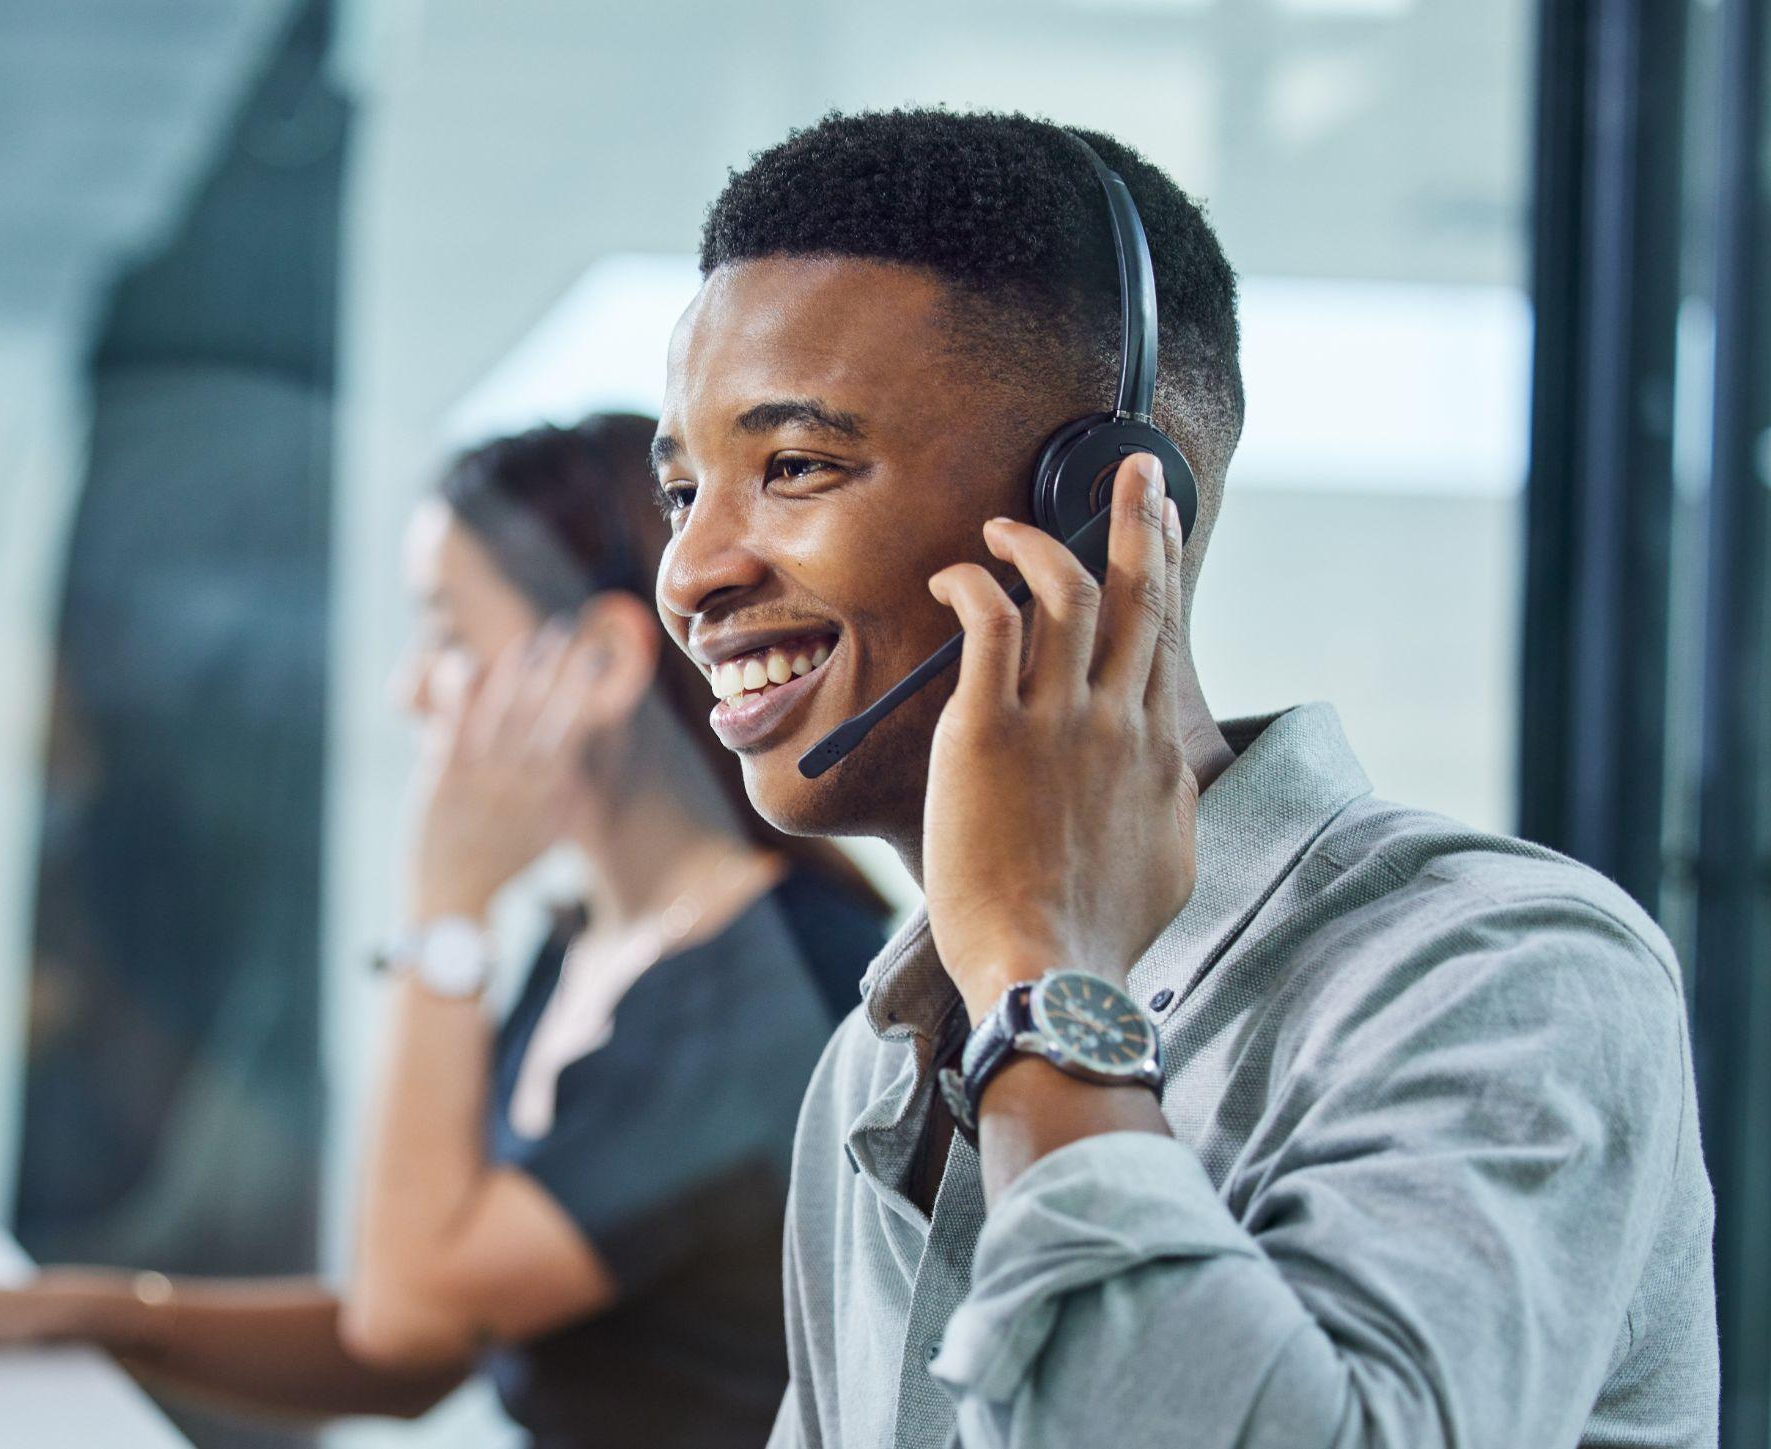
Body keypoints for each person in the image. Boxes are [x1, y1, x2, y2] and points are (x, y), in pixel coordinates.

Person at [649, 110, 1718, 1447]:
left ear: (1099, 504)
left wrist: (1049, 989)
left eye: (795, 466)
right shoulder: (873, 1071)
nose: (689, 575)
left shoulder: (1501, 975)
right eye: (683, 491)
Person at [0, 413, 888, 1448]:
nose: (413, 690)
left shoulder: (766, 993)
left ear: (597, 664)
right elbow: (422, 1341)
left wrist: (443, 912)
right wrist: (72, 1313)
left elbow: (407, 1321)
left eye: (447, 635)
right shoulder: (598, 944)